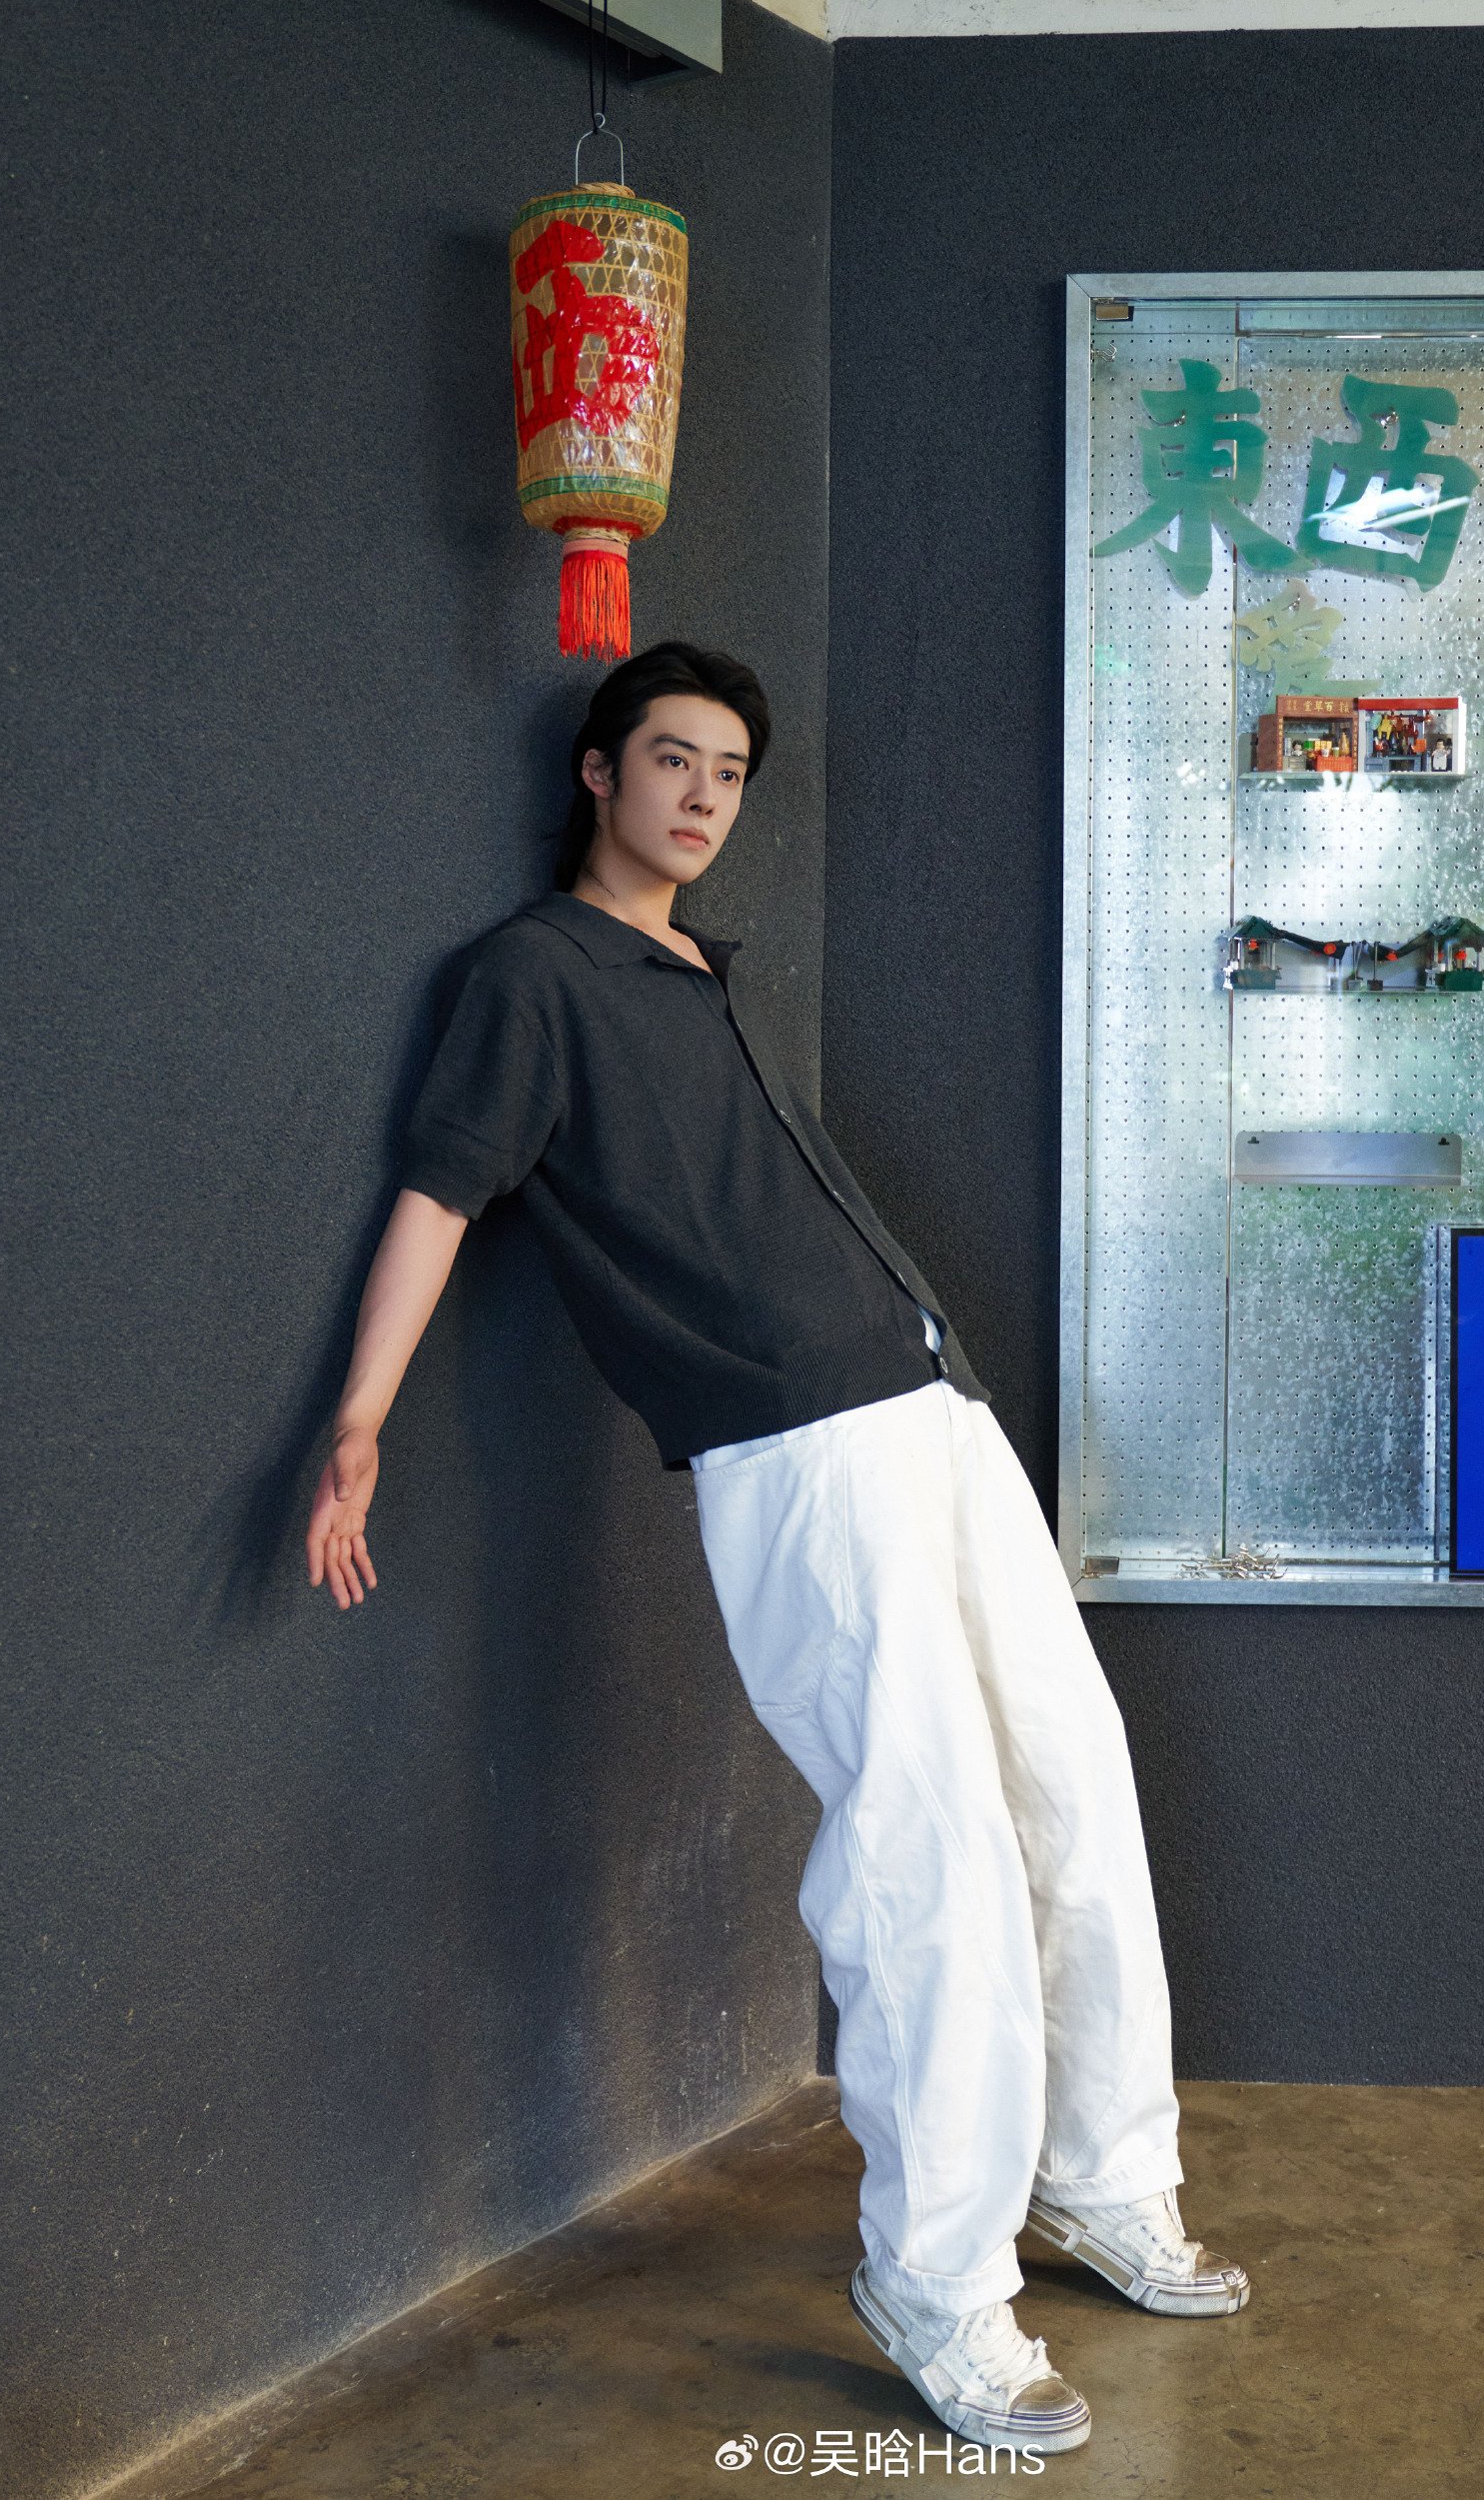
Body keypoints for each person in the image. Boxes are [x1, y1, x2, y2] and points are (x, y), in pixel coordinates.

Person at [304, 641, 1250, 2455]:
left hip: (934, 1403)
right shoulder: (531, 973)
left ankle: (1103, 2175)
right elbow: (442, 1185)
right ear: (598, 774)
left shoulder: (703, 975)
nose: (704, 796)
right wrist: (361, 1420)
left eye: (731, 772)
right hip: (798, 1447)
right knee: (927, 1845)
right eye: (672, 759)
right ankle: (938, 2280)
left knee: (1075, 1782)